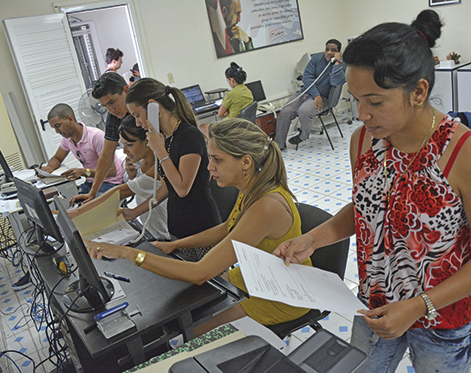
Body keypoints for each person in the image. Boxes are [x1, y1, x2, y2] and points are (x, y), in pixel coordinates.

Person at [273, 10, 471, 373]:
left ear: (417, 91)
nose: (362, 114)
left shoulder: (468, 157)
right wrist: (314, 239)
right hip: (376, 305)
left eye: (375, 101)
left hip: (444, 317)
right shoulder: (364, 141)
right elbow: (369, 209)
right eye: (355, 100)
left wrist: (418, 306)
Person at [87, 119, 312, 336]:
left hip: (281, 295)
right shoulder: (252, 190)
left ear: (245, 162)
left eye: (217, 159)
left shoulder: (266, 205)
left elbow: (200, 273)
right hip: (258, 277)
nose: (209, 166)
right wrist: (174, 245)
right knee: (187, 305)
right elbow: (226, 229)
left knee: (191, 332)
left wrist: (129, 253)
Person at [124, 78, 221, 259]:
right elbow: (166, 188)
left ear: (153, 107)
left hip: (200, 230)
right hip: (178, 230)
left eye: (137, 115)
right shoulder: (166, 139)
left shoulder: (190, 136)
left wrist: (160, 151)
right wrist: (134, 213)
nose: (137, 123)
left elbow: (182, 188)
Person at [68, 115, 169, 240]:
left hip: (166, 236)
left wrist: (75, 213)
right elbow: (142, 190)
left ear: (149, 140)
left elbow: (122, 191)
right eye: (123, 145)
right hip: (152, 231)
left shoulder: (160, 167)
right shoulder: (141, 164)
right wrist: (133, 175)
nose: (125, 151)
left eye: (130, 145)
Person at [70, 72, 131, 206]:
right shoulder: (113, 117)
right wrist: (93, 192)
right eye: (105, 106)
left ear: (125, 90)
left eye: (112, 102)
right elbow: (106, 156)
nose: (111, 110)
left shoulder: (143, 109)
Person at [274, 39, 346, 150]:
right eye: (327, 49)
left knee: (304, 111)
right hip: (306, 93)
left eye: (333, 50)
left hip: (324, 98)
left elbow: (336, 82)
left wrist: (337, 62)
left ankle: (303, 136)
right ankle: (279, 145)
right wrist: (315, 94)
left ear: (338, 52)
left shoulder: (341, 65)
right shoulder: (316, 59)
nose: (329, 53)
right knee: (285, 112)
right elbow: (307, 78)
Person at [41, 103, 123, 195]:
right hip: (91, 183)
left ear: (70, 119)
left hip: (111, 182)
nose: (57, 131)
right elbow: (57, 158)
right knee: (67, 200)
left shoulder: (96, 136)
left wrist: (84, 172)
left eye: (58, 126)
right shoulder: (67, 139)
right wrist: (49, 168)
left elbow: (112, 171)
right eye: (54, 128)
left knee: (83, 207)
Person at [199, 62, 254, 137]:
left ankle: (216, 145)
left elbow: (220, 114)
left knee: (202, 127)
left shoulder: (230, 94)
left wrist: (225, 112)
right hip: (242, 126)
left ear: (232, 80)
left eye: (227, 81)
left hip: (229, 126)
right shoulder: (248, 91)